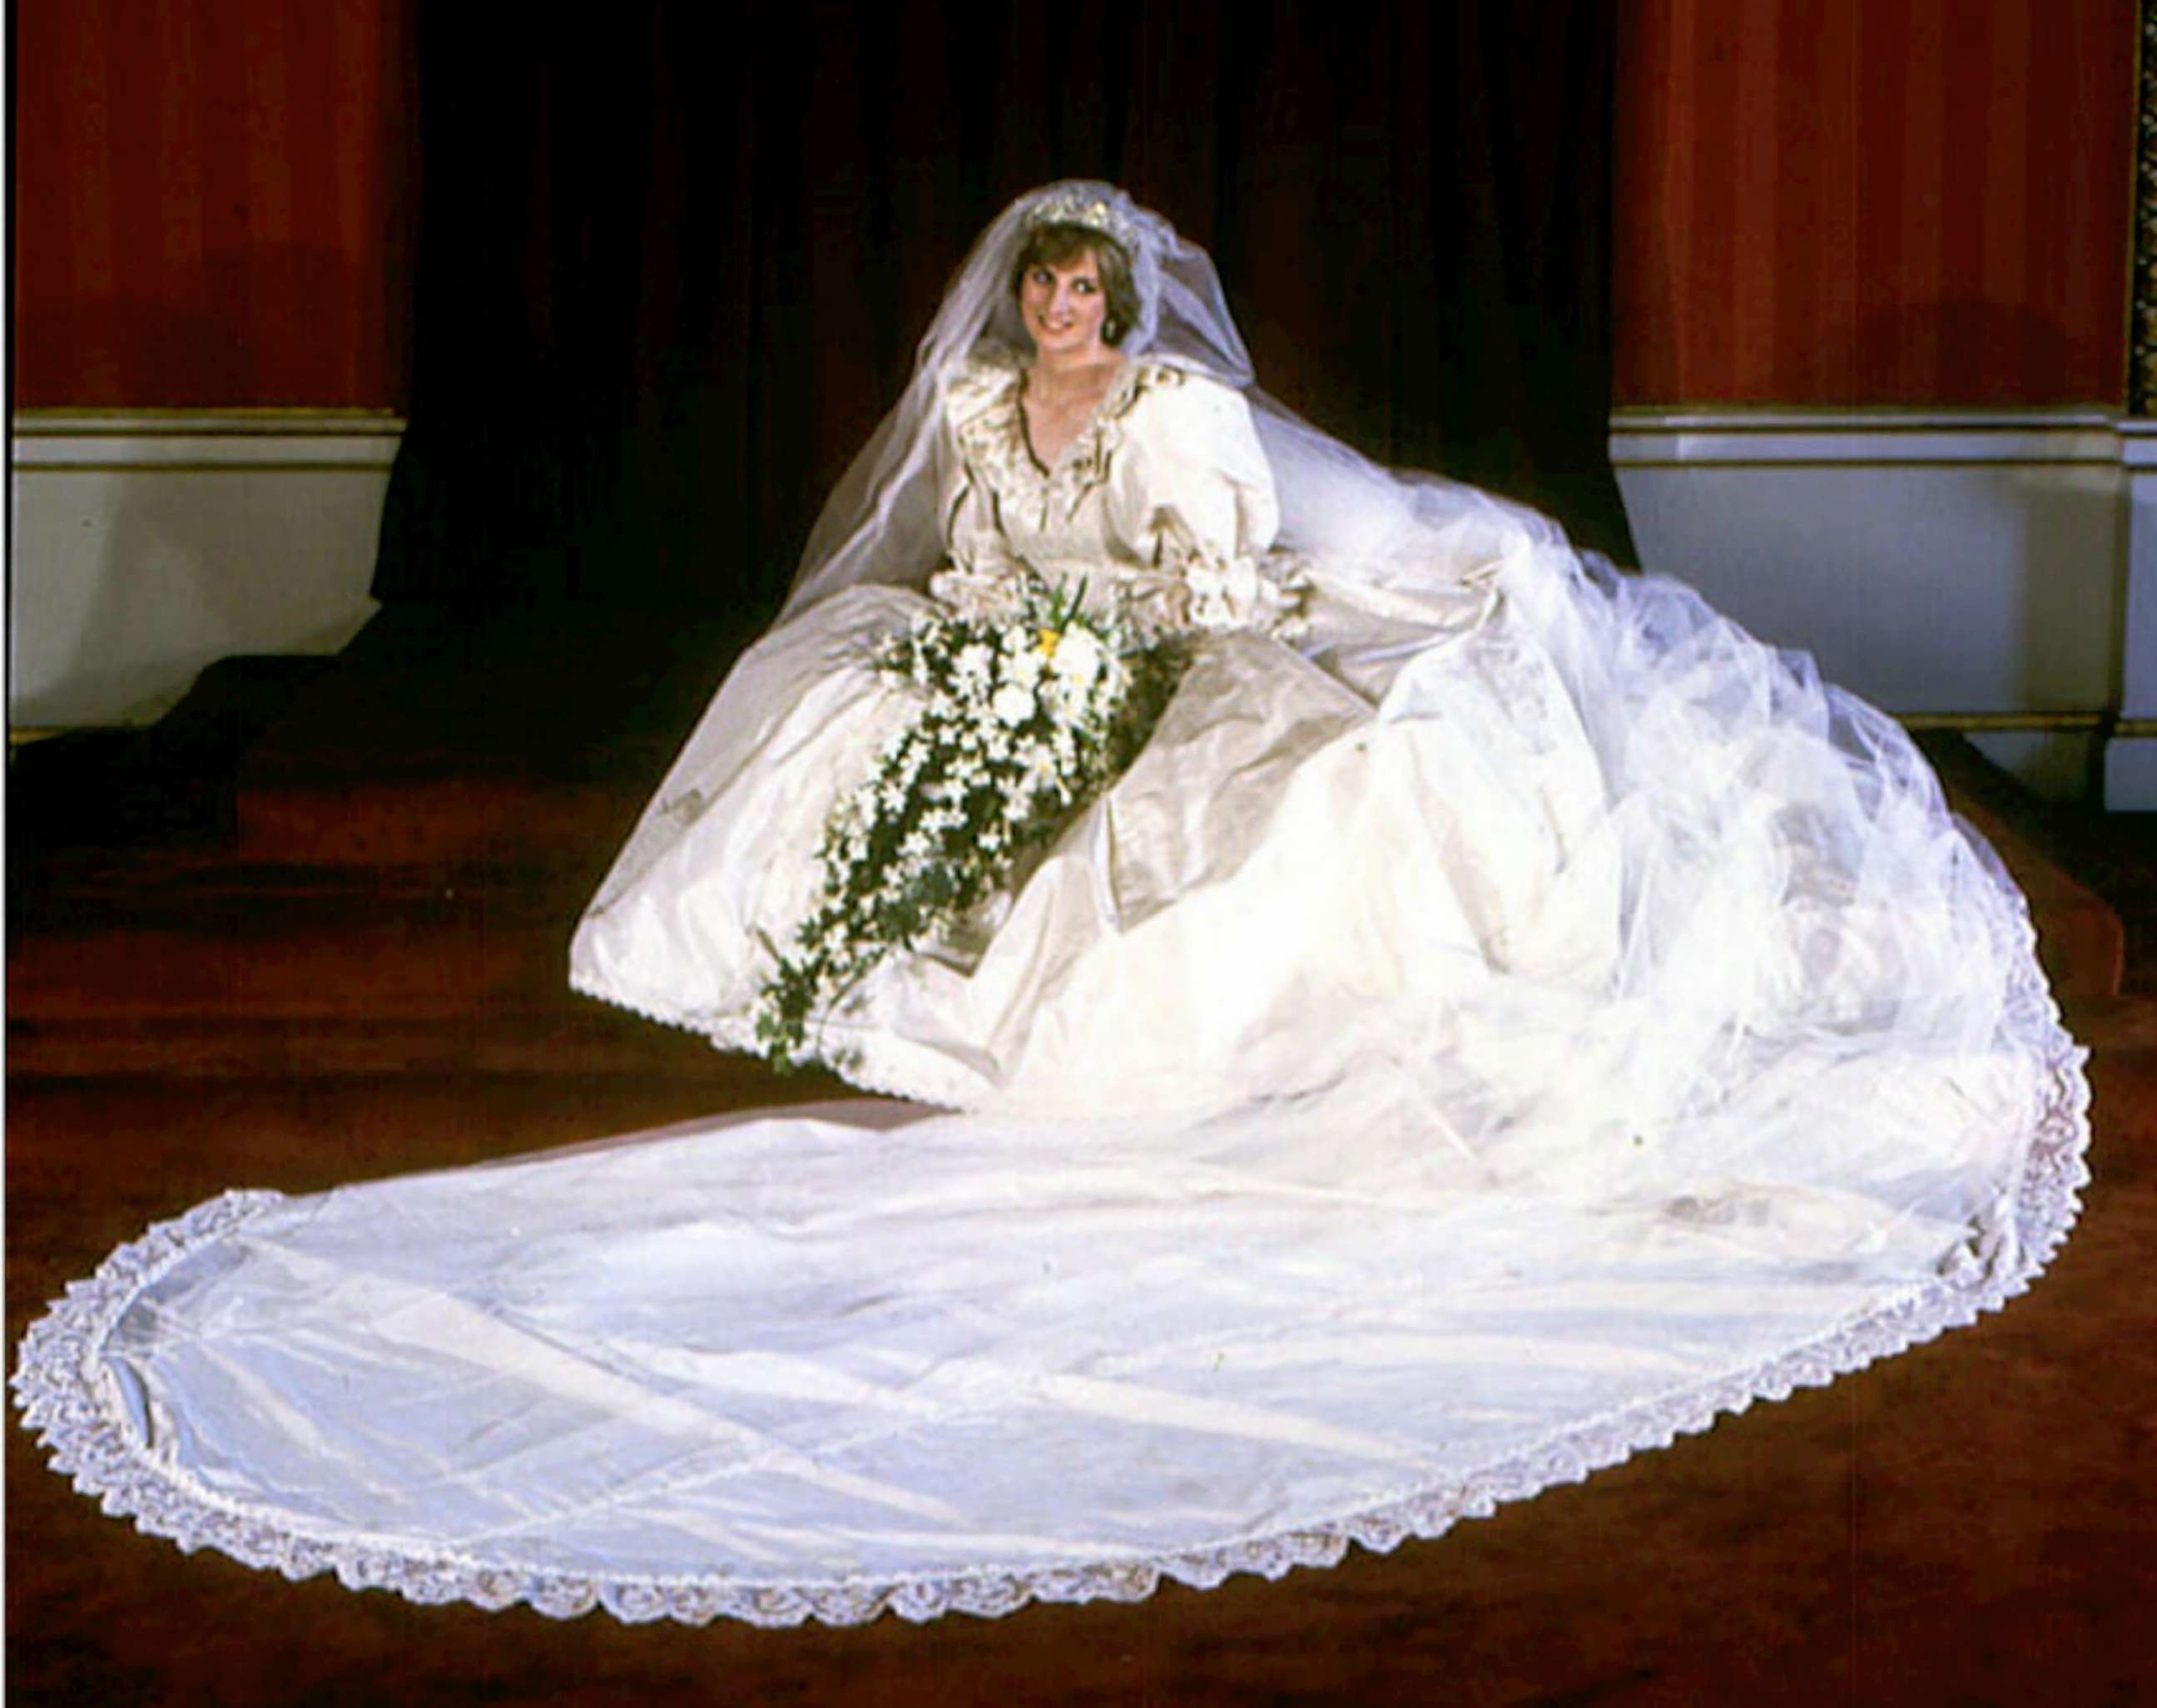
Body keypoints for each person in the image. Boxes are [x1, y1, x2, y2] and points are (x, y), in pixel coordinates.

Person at [14, 182, 2090, 1629]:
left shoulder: (1188, 417)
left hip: (1262, 606)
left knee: (1281, 792)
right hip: (1081, 639)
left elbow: (1209, 584)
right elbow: (978, 561)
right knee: (842, 691)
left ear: (1129, 303)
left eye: (1092, 295)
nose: (1067, 322)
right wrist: (998, 652)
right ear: (1021, 308)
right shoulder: (982, 412)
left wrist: (1097, 653)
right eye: (1046, 299)